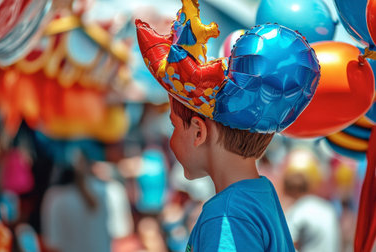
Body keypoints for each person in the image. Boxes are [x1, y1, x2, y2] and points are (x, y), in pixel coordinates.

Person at [135, 0, 321, 251]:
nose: (171, 139)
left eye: (175, 126)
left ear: (199, 132)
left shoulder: (226, 216)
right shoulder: (260, 193)